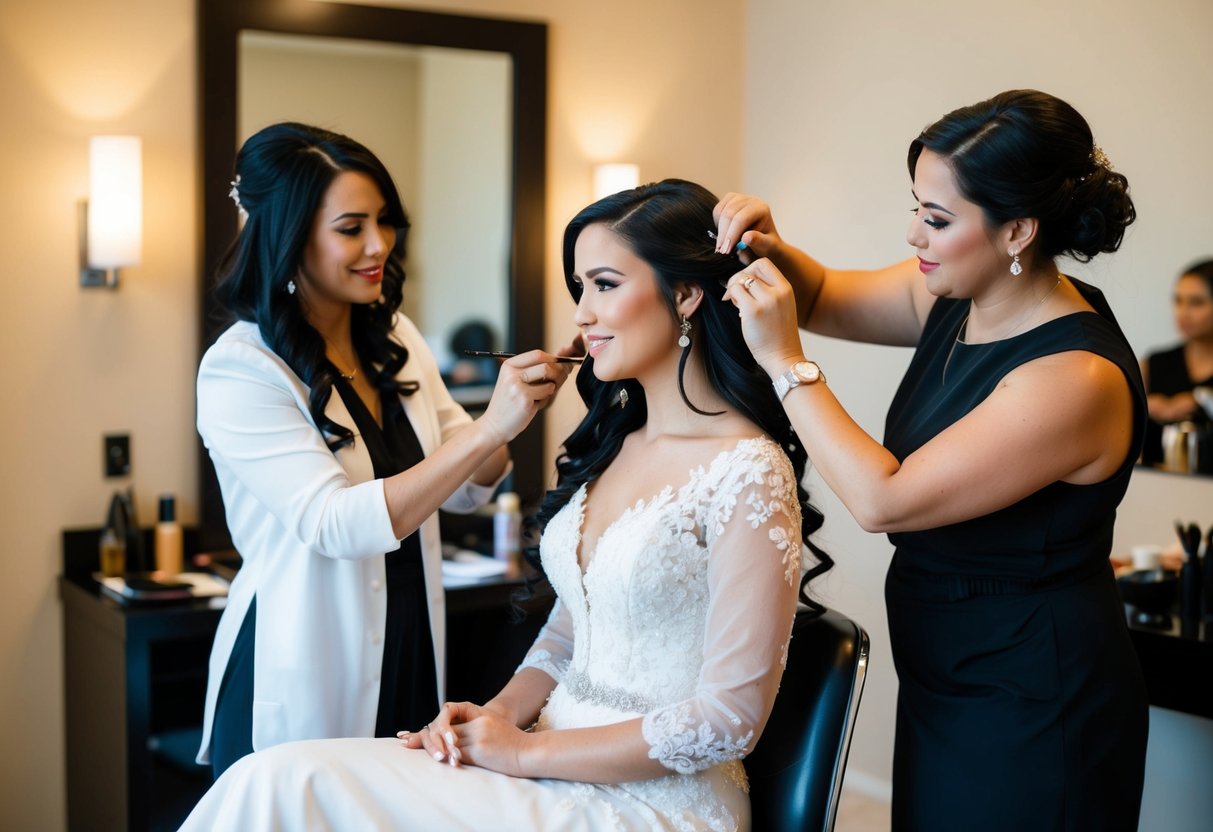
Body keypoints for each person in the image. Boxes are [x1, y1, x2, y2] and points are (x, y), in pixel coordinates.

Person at [179, 179, 832, 830]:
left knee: (295, 789)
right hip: (546, 766)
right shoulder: (618, 447)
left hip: (650, 801)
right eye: (580, 290)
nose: (580, 315)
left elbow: (725, 723)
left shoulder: (746, 470)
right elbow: (570, 628)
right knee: (274, 777)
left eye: (603, 285)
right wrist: (498, 713)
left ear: (685, 295)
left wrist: (523, 751)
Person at [714, 89, 1147, 831]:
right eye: (915, 206)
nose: (913, 233)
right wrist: (768, 247)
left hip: (1033, 695)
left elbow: (885, 500)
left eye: (937, 220)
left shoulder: (1073, 379)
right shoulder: (954, 297)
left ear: (1016, 229)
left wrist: (785, 362)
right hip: (945, 672)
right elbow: (820, 294)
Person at [194, 122, 572, 778]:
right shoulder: (241, 370)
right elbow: (335, 524)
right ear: (288, 232)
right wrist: (490, 428)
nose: (378, 245)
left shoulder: (391, 335)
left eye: (385, 221)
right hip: (305, 654)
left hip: (410, 642)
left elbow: (466, 485)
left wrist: (509, 418)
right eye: (350, 227)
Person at [1140, 258, 1213, 465]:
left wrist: (1201, 402)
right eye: (1178, 301)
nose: (1184, 313)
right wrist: (1143, 407)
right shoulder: (1152, 363)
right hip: (1157, 487)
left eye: (1196, 302)